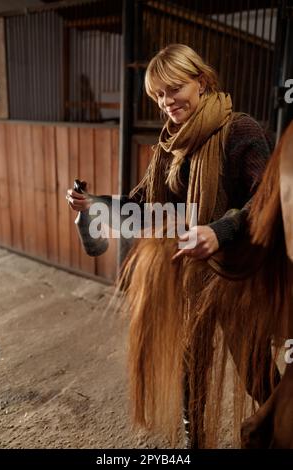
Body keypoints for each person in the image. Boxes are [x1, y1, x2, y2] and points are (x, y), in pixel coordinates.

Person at [67, 44, 279, 448]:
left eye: (174, 88)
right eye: (158, 95)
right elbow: (142, 205)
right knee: (190, 372)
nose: (166, 102)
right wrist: (94, 205)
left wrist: (220, 229)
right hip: (187, 273)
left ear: (202, 81)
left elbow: (267, 200)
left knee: (258, 376)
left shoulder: (240, 130)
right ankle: (193, 444)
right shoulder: (169, 146)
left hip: (235, 275)